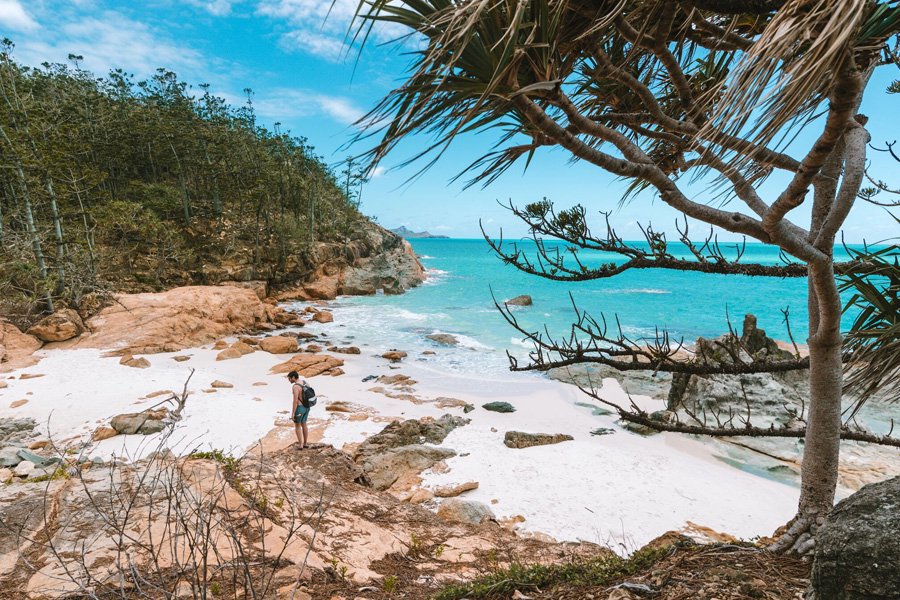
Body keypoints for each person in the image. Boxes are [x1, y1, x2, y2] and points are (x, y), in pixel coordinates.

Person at [288, 371, 310, 449]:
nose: (289, 380)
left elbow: (295, 401)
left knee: (297, 425)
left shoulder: (295, 386)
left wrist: (293, 413)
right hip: (307, 407)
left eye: (289, 378)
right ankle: (305, 443)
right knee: (304, 424)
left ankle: (300, 445)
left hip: (300, 408)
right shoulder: (304, 382)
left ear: (293, 377)